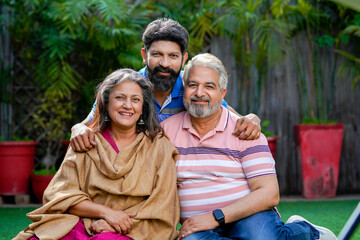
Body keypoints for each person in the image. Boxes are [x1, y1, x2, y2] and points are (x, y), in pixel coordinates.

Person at [160, 53, 337, 240]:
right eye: (193, 85)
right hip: (197, 226)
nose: (199, 93)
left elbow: (269, 194)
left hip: (249, 216)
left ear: (222, 94)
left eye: (209, 86)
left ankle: (307, 232)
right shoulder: (166, 132)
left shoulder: (245, 131)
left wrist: (215, 217)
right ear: (184, 90)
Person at [14, 69, 180, 240]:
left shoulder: (159, 146)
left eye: (135, 100)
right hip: (81, 222)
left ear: (143, 106)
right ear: (106, 102)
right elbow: (60, 196)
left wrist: (116, 222)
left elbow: (162, 203)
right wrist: (107, 213)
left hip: (136, 227)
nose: (128, 105)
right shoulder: (85, 140)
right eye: (120, 98)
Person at [70, 18, 261, 153]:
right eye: (157, 55)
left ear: (184, 59)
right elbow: (89, 125)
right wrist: (77, 128)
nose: (165, 63)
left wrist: (251, 118)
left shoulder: (193, 89)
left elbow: (231, 116)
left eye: (173, 56)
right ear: (144, 55)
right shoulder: (125, 87)